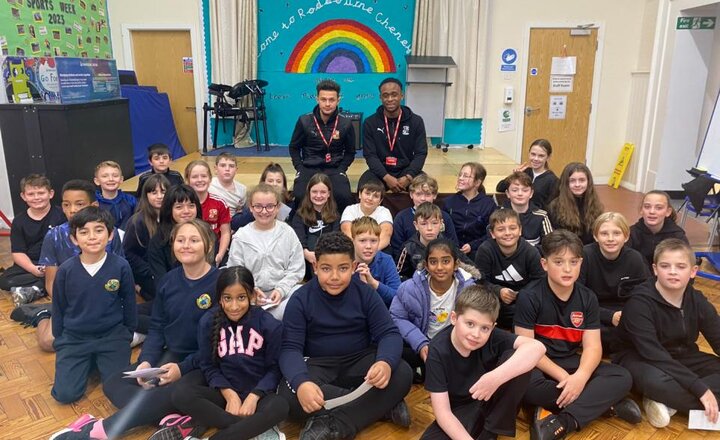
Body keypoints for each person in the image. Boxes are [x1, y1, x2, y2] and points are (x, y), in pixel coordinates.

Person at [50, 219, 219, 440]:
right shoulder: (169, 281)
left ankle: (100, 430)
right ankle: (172, 419)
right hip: (171, 354)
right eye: (181, 240)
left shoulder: (219, 283)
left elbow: (217, 342)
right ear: (173, 244)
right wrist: (147, 360)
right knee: (113, 383)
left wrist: (182, 368)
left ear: (208, 245)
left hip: (203, 362)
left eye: (194, 240)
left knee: (179, 393)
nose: (186, 245)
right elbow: (157, 326)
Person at [278, 232, 413, 439]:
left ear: (353, 267)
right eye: (326, 269)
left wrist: (385, 363)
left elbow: (389, 333)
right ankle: (382, 406)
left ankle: (337, 425)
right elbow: (289, 349)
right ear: (315, 268)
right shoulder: (300, 299)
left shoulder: (365, 292)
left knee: (402, 372)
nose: (334, 277)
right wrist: (302, 383)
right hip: (318, 365)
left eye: (342, 268)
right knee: (289, 397)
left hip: (360, 362)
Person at [514, 230, 640, 440]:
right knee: (522, 385)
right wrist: (566, 379)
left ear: (581, 263)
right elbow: (526, 348)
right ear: (545, 264)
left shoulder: (587, 297)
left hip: (570, 360)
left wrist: (580, 377)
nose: (567, 269)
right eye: (559, 262)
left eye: (573, 262)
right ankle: (605, 404)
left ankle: (564, 421)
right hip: (538, 363)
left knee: (622, 376)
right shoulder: (529, 296)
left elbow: (592, 347)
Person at [171, 266, 289, 440]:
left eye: (241, 298)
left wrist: (254, 396)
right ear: (219, 299)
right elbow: (208, 366)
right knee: (180, 394)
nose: (234, 306)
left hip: (259, 396)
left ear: (252, 296)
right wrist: (230, 395)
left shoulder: (269, 325)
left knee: (280, 406)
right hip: (223, 394)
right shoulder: (208, 322)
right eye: (228, 298)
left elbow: (275, 369)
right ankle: (250, 429)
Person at [614, 238, 720, 429]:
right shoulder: (639, 303)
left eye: (680, 266)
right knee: (657, 382)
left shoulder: (696, 299)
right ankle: (671, 395)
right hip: (641, 359)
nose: (672, 271)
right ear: (655, 269)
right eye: (665, 266)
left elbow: (717, 336)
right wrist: (700, 388)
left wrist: (697, 386)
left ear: (693, 271)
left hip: (682, 355)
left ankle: (667, 402)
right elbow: (653, 353)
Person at [421, 284, 546, 440]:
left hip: (494, 402)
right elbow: (443, 413)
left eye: (485, 328)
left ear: (493, 327)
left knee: (519, 357)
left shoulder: (493, 337)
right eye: (470, 324)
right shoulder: (438, 350)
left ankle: (491, 430)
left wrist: (495, 378)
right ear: (454, 318)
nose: (476, 334)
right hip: (461, 411)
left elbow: (537, 347)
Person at [14, 180, 125, 353]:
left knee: (115, 336)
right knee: (49, 342)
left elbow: (120, 275)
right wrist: (67, 306)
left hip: (106, 300)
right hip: (70, 303)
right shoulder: (54, 236)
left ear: (94, 205)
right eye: (66, 204)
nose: (72, 210)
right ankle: (42, 315)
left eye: (79, 204)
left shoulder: (110, 234)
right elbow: (51, 282)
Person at [50, 207, 136, 404]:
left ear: (111, 235)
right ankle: (88, 361)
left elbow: (129, 302)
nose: (92, 237)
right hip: (75, 338)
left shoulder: (121, 266)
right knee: (65, 395)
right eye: (84, 232)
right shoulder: (65, 270)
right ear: (74, 238)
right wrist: (61, 338)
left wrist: (126, 334)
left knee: (119, 393)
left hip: (111, 336)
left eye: (99, 230)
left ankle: (97, 361)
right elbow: (59, 306)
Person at [391, 238, 480, 381]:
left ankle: (430, 370)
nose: (439, 267)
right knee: (391, 347)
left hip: (453, 343)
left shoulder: (469, 289)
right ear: (426, 265)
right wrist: (420, 343)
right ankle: (425, 369)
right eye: (433, 262)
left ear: (456, 264)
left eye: (445, 261)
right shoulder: (409, 288)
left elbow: (475, 322)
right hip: (421, 341)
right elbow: (397, 317)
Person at [227, 183, 304, 320]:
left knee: (302, 293)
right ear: (250, 207)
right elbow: (235, 270)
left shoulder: (287, 232)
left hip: (282, 296)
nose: (264, 211)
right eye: (258, 206)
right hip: (251, 297)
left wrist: (281, 290)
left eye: (269, 206)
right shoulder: (241, 236)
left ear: (278, 207)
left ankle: (273, 320)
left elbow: (296, 268)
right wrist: (252, 290)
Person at [578, 212, 649, 352]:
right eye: (604, 233)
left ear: (626, 236)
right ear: (595, 236)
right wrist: (609, 316)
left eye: (617, 233)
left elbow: (644, 296)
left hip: (623, 314)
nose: (610, 239)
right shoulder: (584, 256)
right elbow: (577, 297)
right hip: (592, 312)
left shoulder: (635, 259)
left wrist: (626, 315)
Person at [289, 79, 355, 211]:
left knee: (344, 196)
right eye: (323, 99)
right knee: (300, 195)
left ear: (338, 100)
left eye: (332, 100)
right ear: (317, 99)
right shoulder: (304, 121)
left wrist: (342, 168)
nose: (327, 104)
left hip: (334, 168)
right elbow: (294, 148)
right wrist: (299, 168)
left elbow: (350, 152)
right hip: (309, 167)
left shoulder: (346, 123)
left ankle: (339, 226)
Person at [474, 209, 544, 330]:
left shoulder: (530, 252)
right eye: (501, 229)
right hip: (494, 302)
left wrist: (521, 294)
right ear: (492, 233)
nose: (507, 233)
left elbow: (540, 281)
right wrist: (498, 291)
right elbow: (480, 281)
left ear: (520, 230)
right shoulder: (485, 250)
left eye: (512, 228)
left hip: (523, 302)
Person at [0, 174, 65, 298]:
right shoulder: (19, 221)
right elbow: (18, 252)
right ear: (23, 196)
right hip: (32, 264)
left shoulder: (61, 215)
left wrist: (51, 267)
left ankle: (38, 288)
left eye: (41, 193)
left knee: (65, 273)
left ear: (50, 194)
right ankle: (41, 286)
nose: (36, 198)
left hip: (56, 262)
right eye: (31, 194)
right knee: (5, 281)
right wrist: (33, 269)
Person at [359, 78, 427, 192]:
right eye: (385, 95)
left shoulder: (416, 121)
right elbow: (370, 155)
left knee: (425, 189)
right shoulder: (370, 123)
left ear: (402, 96)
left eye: (394, 95)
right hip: (380, 172)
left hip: (407, 170)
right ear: (380, 98)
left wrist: (409, 177)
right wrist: (386, 177)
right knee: (366, 190)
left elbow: (421, 153)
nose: (390, 99)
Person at [123, 174, 169, 301]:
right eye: (154, 192)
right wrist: (150, 272)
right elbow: (129, 253)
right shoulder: (137, 222)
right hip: (148, 273)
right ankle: (139, 290)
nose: (159, 196)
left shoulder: (173, 218)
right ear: (146, 195)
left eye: (163, 192)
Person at [391, 174, 458, 260]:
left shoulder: (444, 216)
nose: (423, 198)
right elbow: (397, 249)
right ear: (411, 194)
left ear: (434, 195)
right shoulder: (401, 217)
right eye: (418, 194)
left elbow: (454, 245)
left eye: (427, 194)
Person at [396, 203, 471, 280]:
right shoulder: (408, 248)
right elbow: (398, 276)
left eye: (434, 223)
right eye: (423, 224)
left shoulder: (450, 247)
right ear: (416, 225)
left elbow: (472, 271)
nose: (429, 228)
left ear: (441, 224)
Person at [147, 185, 203, 285]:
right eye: (179, 207)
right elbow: (161, 281)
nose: (186, 211)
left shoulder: (207, 235)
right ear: (169, 210)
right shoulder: (158, 241)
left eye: (191, 206)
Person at [291, 173, 341, 280]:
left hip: (329, 256)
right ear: (308, 193)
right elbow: (299, 239)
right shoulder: (300, 215)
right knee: (312, 239)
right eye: (314, 191)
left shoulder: (335, 215)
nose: (318, 195)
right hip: (307, 257)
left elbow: (335, 237)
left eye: (323, 192)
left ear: (329, 194)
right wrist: (307, 253)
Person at [443, 162, 497, 256]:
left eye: (466, 176)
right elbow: (443, 229)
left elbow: (492, 232)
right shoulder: (448, 202)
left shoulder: (488, 204)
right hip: (450, 250)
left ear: (477, 182)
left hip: (478, 251)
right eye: (460, 175)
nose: (460, 178)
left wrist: (473, 245)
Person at [627, 190, 689, 270]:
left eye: (659, 208)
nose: (652, 211)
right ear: (641, 210)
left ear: (668, 212)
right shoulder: (631, 234)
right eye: (647, 207)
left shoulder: (677, 237)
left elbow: (686, 267)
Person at [185, 160, 231, 266]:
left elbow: (225, 233)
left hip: (214, 251)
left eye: (204, 176)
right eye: (195, 177)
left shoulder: (220, 203)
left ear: (210, 179)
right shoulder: (183, 206)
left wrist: (220, 255)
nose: (200, 180)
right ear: (187, 180)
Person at [547, 162, 604, 245]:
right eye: (572, 181)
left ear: (588, 182)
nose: (577, 185)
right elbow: (557, 240)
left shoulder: (595, 205)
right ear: (566, 183)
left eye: (582, 180)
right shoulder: (554, 207)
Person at [351, 216, 401, 307]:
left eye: (373, 241)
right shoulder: (344, 261)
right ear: (353, 241)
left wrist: (373, 283)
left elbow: (397, 297)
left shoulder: (386, 260)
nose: (368, 246)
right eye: (362, 241)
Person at [496, 139, 559, 210]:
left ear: (548, 157)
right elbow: (500, 188)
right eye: (533, 154)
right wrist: (514, 176)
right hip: (514, 213)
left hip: (535, 217)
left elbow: (551, 207)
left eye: (541, 156)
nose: (536, 158)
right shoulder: (524, 172)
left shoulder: (553, 180)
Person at [231, 163, 293, 229]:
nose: (274, 184)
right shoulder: (254, 200)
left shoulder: (290, 204)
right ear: (263, 183)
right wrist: (255, 209)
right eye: (270, 181)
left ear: (284, 185)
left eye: (278, 181)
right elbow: (235, 223)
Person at [501, 171, 553, 247]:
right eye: (515, 190)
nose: (520, 194)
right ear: (508, 193)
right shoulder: (499, 215)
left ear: (531, 193)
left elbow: (550, 244)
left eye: (525, 190)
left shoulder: (541, 216)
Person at [340, 180, 393, 250]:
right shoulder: (350, 209)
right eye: (367, 194)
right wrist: (359, 252)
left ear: (380, 201)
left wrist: (370, 252)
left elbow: (386, 234)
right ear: (360, 194)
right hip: (353, 249)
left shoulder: (384, 211)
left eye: (375, 196)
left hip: (378, 249)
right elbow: (346, 232)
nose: (370, 198)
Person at [93, 160, 137, 230]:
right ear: (97, 181)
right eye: (105, 176)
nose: (111, 179)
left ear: (121, 179)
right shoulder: (93, 202)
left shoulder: (131, 200)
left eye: (115, 176)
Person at [209, 152, 247, 217]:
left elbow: (239, 211)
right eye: (223, 165)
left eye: (231, 166)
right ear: (215, 169)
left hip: (232, 222)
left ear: (236, 170)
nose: (227, 169)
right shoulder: (208, 185)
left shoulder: (242, 189)